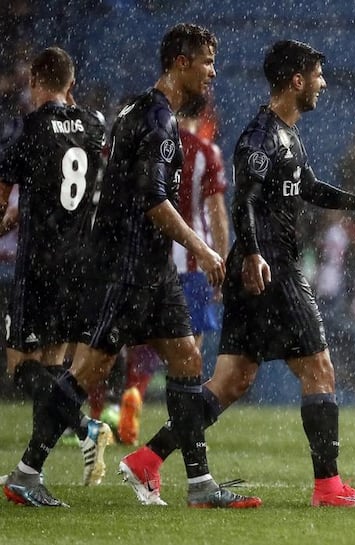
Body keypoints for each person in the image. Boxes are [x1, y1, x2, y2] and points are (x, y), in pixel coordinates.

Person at [119, 39, 355, 508]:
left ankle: (147, 459)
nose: (323, 84)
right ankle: (328, 488)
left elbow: (305, 186)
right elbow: (242, 197)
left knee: (231, 382)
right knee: (320, 370)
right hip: (272, 268)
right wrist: (252, 256)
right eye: (317, 75)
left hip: (259, 270)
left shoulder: (287, 134)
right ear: (296, 80)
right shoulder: (260, 136)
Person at [3, 23, 261, 509]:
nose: (213, 72)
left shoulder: (133, 108)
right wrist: (202, 248)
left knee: (185, 358)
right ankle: (25, 472)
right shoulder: (159, 122)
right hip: (128, 267)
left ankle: (200, 485)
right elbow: (152, 201)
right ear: (181, 62)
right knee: (88, 369)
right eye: (206, 62)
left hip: (149, 267)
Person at [0, 47, 114, 501]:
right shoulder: (94, 124)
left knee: (19, 367)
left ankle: (87, 428)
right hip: (80, 264)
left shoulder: (30, 127)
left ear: (35, 81)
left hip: (40, 264)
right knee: (52, 367)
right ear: (72, 83)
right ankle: (30, 475)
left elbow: (4, 192)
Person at [107, 94, 231, 446]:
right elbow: (217, 214)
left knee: (146, 342)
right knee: (190, 350)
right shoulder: (207, 152)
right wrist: (219, 256)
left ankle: (134, 392)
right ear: (205, 116)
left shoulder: (154, 142)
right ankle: (182, 425)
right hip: (194, 263)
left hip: (152, 259)